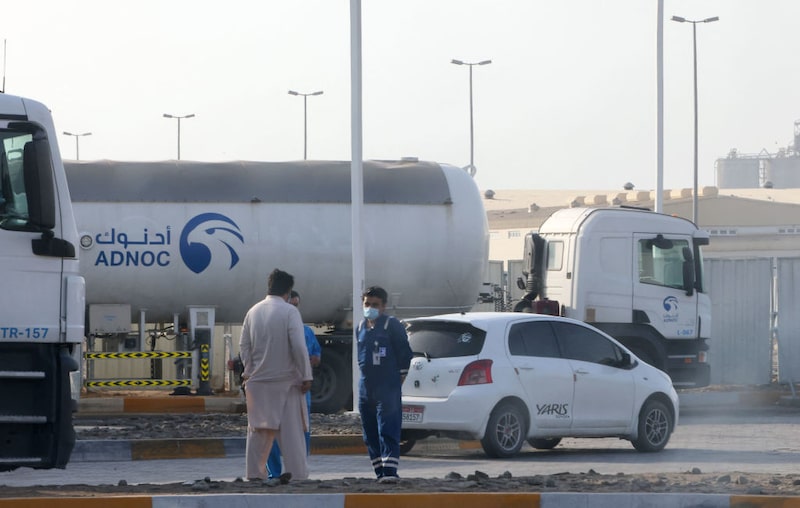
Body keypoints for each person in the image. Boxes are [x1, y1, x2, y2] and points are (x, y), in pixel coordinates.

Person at [239, 269, 313, 482]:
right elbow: (298, 346)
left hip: (258, 383)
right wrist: (306, 375)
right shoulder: (290, 312)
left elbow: (244, 346)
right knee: (292, 434)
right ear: (288, 291)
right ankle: (298, 475)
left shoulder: (253, 312)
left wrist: (249, 371)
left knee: (258, 432)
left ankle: (254, 474)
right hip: (286, 382)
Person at [357, 286, 413, 483]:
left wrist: (398, 380)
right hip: (366, 387)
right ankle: (379, 472)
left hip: (387, 386)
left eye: (375, 305)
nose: (370, 308)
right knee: (369, 432)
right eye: (367, 304)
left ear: (383, 306)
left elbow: (405, 354)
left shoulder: (391, 325)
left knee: (387, 428)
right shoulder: (360, 327)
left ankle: (390, 472)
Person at [266, 290, 321, 479]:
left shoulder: (306, 332)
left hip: (299, 389)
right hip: (276, 387)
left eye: (296, 306)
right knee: (271, 430)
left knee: (302, 430)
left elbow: (316, 355)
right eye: (291, 305)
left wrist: (309, 361)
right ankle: (273, 473)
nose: (293, 310)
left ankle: (299, 470)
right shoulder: (271, 329)